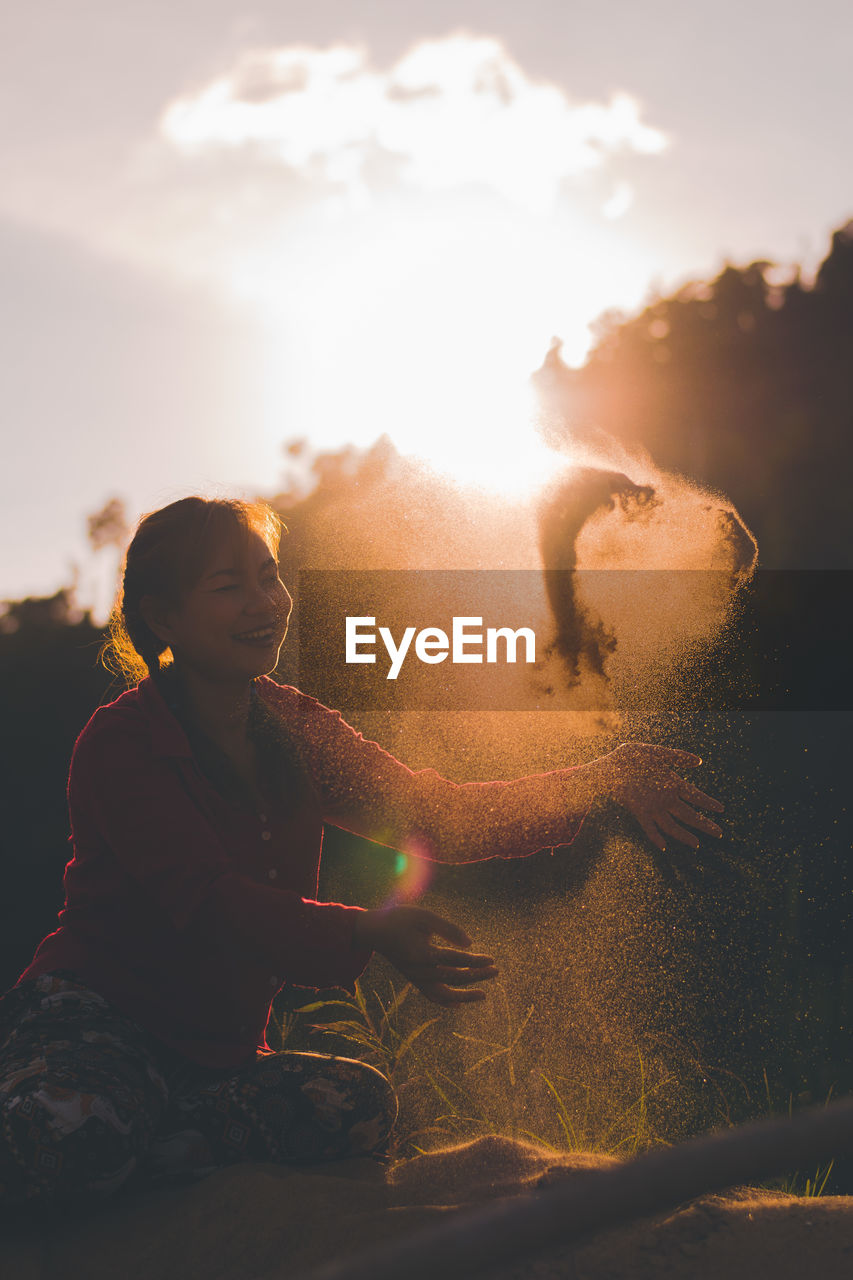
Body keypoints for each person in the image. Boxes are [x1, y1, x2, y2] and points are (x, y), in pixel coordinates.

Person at [0, 497, 724, 1211]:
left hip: (212, 1058)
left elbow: (435, 816)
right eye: (229, 587)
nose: (265, 602)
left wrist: (593, 783)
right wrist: (362, 930)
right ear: (165, 618)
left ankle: (143, 1139)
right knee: (74, 1135)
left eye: (268, 576)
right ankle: (105, 1131)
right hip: (98, 1020)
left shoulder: (295, 728)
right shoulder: (120, 743)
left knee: (356, 1107)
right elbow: (210, 902)